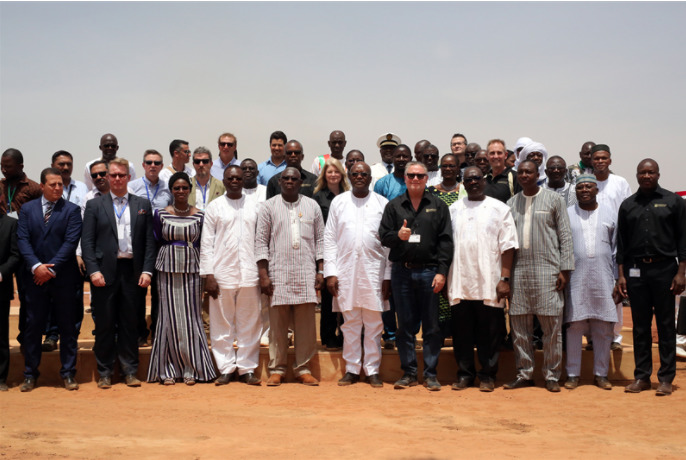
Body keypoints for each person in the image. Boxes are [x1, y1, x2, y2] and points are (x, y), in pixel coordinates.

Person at [81, 158, 156, 389]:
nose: (116, 179)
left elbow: (149, 242)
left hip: (132, 272)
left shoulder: (142, 204)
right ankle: (104, 372)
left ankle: (129, 371)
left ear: (128, 177)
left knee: (129, 324)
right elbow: (88, 241)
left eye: (121, 175)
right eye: (112, 175)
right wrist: (93, 270)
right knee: (104, 323)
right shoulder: (95, 205)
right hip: (104, 273)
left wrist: (147, 270)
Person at [379, 161, 453, 391]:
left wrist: (442, 272)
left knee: (431, 326)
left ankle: (431, 374)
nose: (415, 179)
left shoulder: (439, 206)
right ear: (405, 177)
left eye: (420, 176)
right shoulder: (394, 206)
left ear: (425, 179)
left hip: (430, 272)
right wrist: (397, 236)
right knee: (405, 326)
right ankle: (409, 372)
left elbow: (446, 242)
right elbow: (383, 236)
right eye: (411, 175)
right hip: (403, 272)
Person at [617, 159, 686, 396]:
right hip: (636, 273)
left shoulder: (673, 201)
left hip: (665, 270)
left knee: (666, 326)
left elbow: (683, 239)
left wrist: (681, 272)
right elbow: (622, 244)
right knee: (640, 327)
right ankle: (642, 377)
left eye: (651, 172)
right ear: (636, 175)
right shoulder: (628, 205)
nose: (646, 176)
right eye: (642, 173)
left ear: (658, 174)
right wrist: (621, 276)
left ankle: (666, 378)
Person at [504, 160, 574, 393]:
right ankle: (524, 373)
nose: (524, 175)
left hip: (548, 270)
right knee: (520, 325)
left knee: (551, 325)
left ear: (537, 174)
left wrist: (565, 269)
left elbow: (565, 235)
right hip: (519, 271)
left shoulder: (554, 200)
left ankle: (552, 375)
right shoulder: (511, 203)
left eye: (529, 171)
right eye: (521, 172)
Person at [446, 166, 517, 392]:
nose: (473, 182)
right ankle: (465, 375)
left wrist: (504, 278)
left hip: (490, 281)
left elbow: (508, 246)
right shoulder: (453, 209)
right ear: (463, 183)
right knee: (462, 333)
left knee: (490, 333)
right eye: (469, 179)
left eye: (477, 178)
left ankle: (487, 375)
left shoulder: (499, 208)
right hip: (460, 281)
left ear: (484, 180)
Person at [255, 167, 325, 386]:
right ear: (279, 180)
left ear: (301, 181)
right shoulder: (268, 207)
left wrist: (321, 270)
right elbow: (260, 242)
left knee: (306, 326)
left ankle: (303, 368)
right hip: (279, 273)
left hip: (305, 273)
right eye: (285, 178)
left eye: (294, 179)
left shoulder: (311, 205)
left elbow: (321, 241)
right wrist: (264, 275)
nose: (289, 181)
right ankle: (277, 368)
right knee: (277, 327)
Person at [324, 162, 390, 388]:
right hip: (345, 271)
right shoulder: (339, 202)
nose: (360, 177)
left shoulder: (383, 204)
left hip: (374, 271)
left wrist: (388, 275)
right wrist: (330, 273)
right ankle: (352, 369)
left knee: (373, 323)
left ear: (371, 178)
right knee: (350, 322)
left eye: (364, 174)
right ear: (349, 177)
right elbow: (330, 239)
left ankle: (372, 370)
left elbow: (389, 245)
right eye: (355, 174)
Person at [147, 172, 216, 385]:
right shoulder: (160, 214)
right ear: (171, 190)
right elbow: (157, 239)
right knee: (167, 318)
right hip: (167, 268)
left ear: (190, 189)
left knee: (191, 318)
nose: (180, 191)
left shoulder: (201, 216)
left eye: (184, 187)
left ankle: (191, 368)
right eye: (176, 188)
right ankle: (167, 370)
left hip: (192, 268)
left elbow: (205, 244)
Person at [16, 168, 82, 392]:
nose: (57, 188)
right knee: (33, 326)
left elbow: (70, 242)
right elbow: (23, 240)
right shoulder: (27, 209)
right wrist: (36, 266)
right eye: (52, 184)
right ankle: (30, 374)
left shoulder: (72, 210)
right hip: (34, 278)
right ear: (42, 186)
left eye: (60, 185)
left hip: (62, 278)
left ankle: (68, 373)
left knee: (67, 327)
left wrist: (50, 269)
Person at [201, 166, 262, 386]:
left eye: (238, 178)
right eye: (230, 178)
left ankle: (246, 368)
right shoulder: (215, 207)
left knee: (250, 323)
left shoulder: (256, 206)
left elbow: (261, 241)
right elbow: (206, 242)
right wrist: (208, 274)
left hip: (249, 272)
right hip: (221, 272)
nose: (235, 181)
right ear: (224, 181)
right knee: (221, 323)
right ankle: (226, 368)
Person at [564, 174, 617, 391]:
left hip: (604, 278)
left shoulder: (610, 213)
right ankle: (573, 373)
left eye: (589, 186)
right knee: (574, 326)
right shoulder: (567, 214)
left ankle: (601, 374)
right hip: (575, 278)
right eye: (580, 187)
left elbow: (616, 249)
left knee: (602, 326)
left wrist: (617, 278)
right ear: (575, 191)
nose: (584, 190)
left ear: (596, 190)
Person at [42, 150, 88, 352]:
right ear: (53, 165)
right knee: (50, 298)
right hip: (50, 253)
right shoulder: (47, 191)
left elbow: (83, 224)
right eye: (61, 164)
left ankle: (72, 336)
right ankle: (51, 335)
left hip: (74, 253)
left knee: (75, 299)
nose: (66, 167)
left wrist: (78, 253)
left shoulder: (82, 188)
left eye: (69, 164)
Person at [127, 150, 172, 346]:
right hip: (139, 246)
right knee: (138, 292)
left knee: (159, 293)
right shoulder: (132, 187)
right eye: (149, 162)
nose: (153, 165)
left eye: (157, 162)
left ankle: (156, 332)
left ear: (162, 166)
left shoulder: (168, 189)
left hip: (161, 245)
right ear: (143, 165)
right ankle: (139, 333)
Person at [591, 144, 632, 350]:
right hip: (592, 238)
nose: (600, 161)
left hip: (617, 240)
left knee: (615, 290)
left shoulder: (620, 182)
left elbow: (628, 210)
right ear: (591, 161)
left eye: (604, 158)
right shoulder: (586, 182)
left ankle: (615, 337)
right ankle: (593, 338)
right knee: (591, 289)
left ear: (610, 161)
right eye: (596, 158)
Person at [427, 154, 466, 340]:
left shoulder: (467, 190)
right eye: (445, 165)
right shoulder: (430, 192)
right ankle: (439, 336)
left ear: (459, 168)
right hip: (438, 253)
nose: (448, 169)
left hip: (462, 254)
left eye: (452, 166)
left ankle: (457, 334)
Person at [313, 157, 349, 350]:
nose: (333, 175)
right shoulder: (317, 197)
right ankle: (328, 336)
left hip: (345, 251)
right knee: (328, 296)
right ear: (324, 175)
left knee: (344, 294)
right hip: (326, 249)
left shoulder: (349, 195)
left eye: (336, 171)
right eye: (329, 172)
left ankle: (345, 334)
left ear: (341, 174)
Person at [0, 211, 19, 392]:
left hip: (0, 288)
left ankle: (1, 378)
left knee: (0, 335)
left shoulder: (10, 224)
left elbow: (15, 255)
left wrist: (1, 272)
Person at [1, 148, 42, 218]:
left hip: (25, 228)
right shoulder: (1, 185)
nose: (3, 170)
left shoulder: (34, 188)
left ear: (21, 167)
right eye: (1, 166)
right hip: (3, 228)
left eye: (8, 167)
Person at [485, 139, 520, 204]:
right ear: (487, 156)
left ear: (506, 155)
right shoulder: (484, 179)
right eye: (492, 153)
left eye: (499, 153)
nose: (496, 156)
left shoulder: (515, 178)